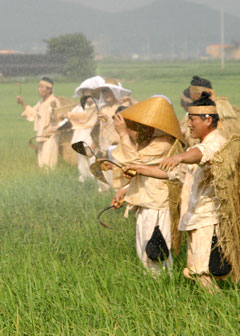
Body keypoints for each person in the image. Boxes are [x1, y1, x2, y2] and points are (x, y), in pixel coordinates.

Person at [124, 92, 227, 292]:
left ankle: (219, 310)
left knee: (202, 272)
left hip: (208, 218)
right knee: (199, 270)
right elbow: (173, 174)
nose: (188, 124)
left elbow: (198, 155)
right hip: (196, 218)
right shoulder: (199, 146)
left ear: (207, 120)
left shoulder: (216, 144)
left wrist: (179, 157)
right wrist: (140, 169)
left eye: (192, 119)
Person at [108, 96, 183, 275]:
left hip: (157, 205)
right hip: (146, 203)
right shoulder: (148, 142)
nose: (133, 130)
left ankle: (164, 291)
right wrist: (124, 190)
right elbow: (140, 170)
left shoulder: (163, 142)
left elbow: (135, 161)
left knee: (156, 253)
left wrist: (123, 134)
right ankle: (154, 288)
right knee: (144, 252)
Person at [96, 79, 135, 190]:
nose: (106, 94)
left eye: (109, 91)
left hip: (120, 146)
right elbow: (101, 130)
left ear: (115, 92)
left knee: (118, 176)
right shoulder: (103, 108)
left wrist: (108, 120)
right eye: (104, 92)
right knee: (105, 174)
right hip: (106, 146)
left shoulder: (124, 106)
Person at [17, 77, 61, 170]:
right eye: (39, 87)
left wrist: (53, 110)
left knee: (49, 165)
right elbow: (33, 113)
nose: (39, 89)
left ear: (49, 90)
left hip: (50, 137)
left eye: (42, 87)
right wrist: (22, 103)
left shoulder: (54, 101)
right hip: (41, 136)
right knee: (42, 164)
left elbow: (56, 118)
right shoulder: (41, 102)